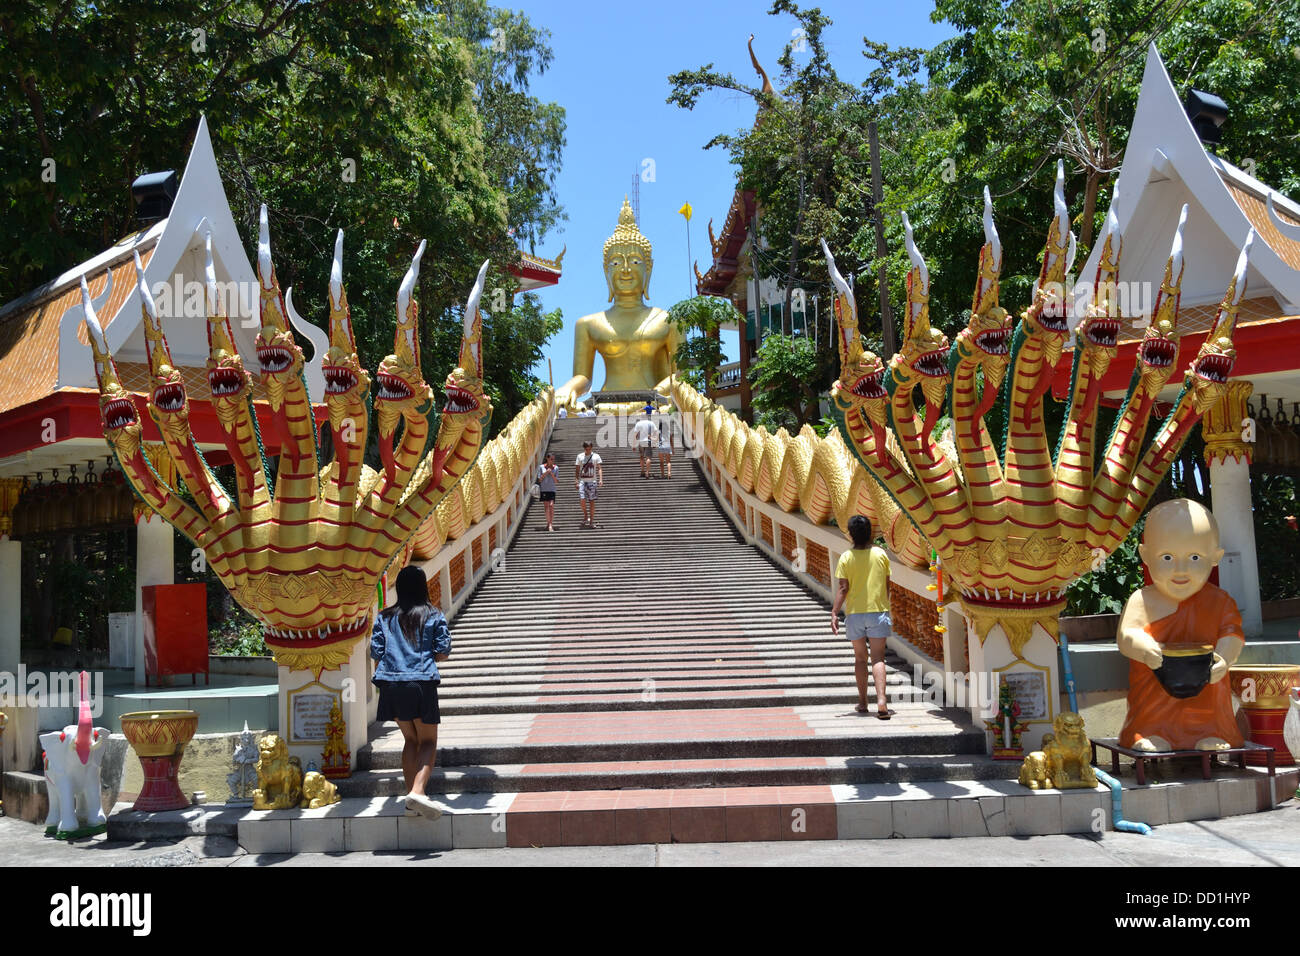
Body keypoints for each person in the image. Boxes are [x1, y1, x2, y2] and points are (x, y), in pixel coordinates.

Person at [1117, 499, 1244, 752]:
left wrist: (1224, 659)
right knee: (1151, 708)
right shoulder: (1142, 600)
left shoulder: (1220, 601)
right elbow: (1126, 635)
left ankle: (1212, 731)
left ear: (1215, 557)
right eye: (1167, 557)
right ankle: (1149, 732)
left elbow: (1232, 633)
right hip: (1156, 685)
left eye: (1195, 557)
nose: (1181, 569)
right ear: (1145, 555)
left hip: (1206, 684)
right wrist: (1144, 648)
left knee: (1210, 698)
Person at [370, 565, 452, 819]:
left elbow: (376, 652)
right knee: (428, 741)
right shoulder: (433, 614)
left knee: (410, 740)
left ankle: (410, 802)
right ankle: (417, 792)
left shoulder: (384, 617)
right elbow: (443, 652)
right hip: (421, 683)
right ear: (423, 587)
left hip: (391, 684)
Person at [830, 515, 893, 718]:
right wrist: (884, 604)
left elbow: (843, 588)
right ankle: (882, 701)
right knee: (878, 658)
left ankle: (863, 701)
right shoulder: (880, 554)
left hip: (855, 614)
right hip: (877, 611)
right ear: (870, 532)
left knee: (859, 658)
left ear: (850, 534)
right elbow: (887, 584)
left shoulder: (846, 557)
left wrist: (833, 612)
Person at [574, 440, 603, 528]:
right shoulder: (580, 456)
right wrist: (576, 481)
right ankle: (586, 515)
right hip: (582, 481)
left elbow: (599, 468)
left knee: (591, 502)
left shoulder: (596, 456)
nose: (588, 451)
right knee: (582, 500)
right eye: (587, 449)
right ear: (584, 448)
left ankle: (591, 521)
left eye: (590, 449)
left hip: (592, 481)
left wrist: (600, 479)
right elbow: (577, 469)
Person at [631, 411, 657, 479]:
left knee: (641, 457)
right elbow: (655, 432)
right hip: (648, 441)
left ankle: (642, 471)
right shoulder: (651, 423)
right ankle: (647, 472)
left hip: (641, 442)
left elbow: (635, 435)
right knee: (648, 457)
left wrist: (634, 445)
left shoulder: (638, 423)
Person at [537, 452, 559, 532]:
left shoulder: (556, 468)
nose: (552, 461)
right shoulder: (541, 467)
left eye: (553, 459)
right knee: (546, 507)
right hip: (544, 489)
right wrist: (546, 472)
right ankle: (548, 524)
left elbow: (556, 481)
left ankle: (550, 524)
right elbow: (539, 479)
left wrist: (552, 474)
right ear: (547, 459)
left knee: (551, 505)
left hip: (552, 489)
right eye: (551, 459)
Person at [656, 414, 674, 479]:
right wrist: (673, 449)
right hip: (667, 447)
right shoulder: (669, 432)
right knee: (668, 462)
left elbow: (656, 440)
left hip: (661, 447)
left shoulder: (659, 432)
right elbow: (671, 441)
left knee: (661, 462)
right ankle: (669, 473)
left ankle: (663, 474)